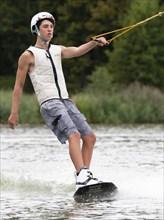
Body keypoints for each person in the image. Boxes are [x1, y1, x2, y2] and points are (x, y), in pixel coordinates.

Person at [8, 12, 108, 190]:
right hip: (49, 103)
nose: (49, 30)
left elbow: (77, 51)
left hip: (66, 101)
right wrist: (14, 113)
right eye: (45, 26)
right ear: (36, 30)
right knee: (74, 135)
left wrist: (94, 42)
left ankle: (85, 176)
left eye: (51, 27)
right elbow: (18, 86)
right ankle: (82, 176)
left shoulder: (57, 50)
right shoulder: (28, 55)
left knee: (90, 137)